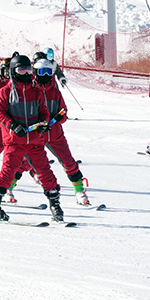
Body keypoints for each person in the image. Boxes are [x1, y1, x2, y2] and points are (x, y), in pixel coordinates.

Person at [0, 54, 61, 222]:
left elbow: (44, 112)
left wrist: (44, 123)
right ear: (13, 71)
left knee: (46, 173)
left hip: (35, 142)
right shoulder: (5, 92)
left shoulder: (36, 91)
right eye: (21, 70)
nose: (25, 74)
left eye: (28, 70)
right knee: (7, 173)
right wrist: (12, 125)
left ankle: (55, 205)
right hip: (14, 142)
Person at [32, 56, 90, 205]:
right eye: (42, 72)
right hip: (37, 134)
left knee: (69, 162)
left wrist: (57, 119)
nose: (46, 75)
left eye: (48, 72)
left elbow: (63, 111)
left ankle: (80, 192)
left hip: (55, 134)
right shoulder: (31, 91)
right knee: (24, 162)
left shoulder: (55, 92)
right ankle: (8, 189)